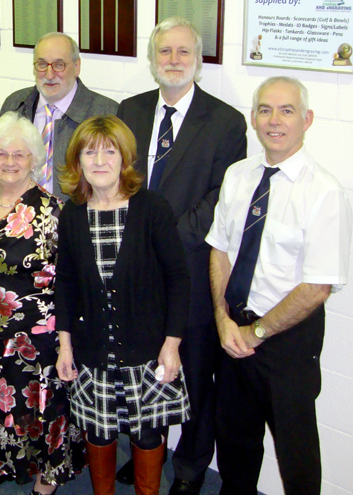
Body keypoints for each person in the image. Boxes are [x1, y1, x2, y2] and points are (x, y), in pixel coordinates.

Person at [116, 17, 247, 494]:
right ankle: (144, 451)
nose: (173, 61)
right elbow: (114, 179)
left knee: (195, 375)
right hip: (131, 272)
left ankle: (191, 468)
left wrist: (163, 241)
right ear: (152, 61)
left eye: (182, 53)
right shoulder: (128, 110)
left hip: (191, 273)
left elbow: (222, 197)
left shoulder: (227, 122)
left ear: (198, 60)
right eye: (164, 52)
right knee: (136, 369)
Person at [206, 76, 352, 495]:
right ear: (253, 118)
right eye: (265, 110)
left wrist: (259, 332)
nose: (274, 121)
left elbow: (318, 287)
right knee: (234, 438)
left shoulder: (323, 191)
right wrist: (223, 319)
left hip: (287, 339)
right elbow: (220, 250)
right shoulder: (238, 175)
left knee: (296, 448)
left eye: (286, 111)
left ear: (306, 120)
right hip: (234, 331)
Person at [55, 115, 192, 495]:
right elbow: (64, 283)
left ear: (125, 158)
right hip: (92, 349)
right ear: (77, 161)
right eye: (90, 152)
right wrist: (65, 345)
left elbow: (178, 279)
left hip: (147, 350)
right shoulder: (72, 214)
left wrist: (171, 344)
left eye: (109, 151)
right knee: (98, 434)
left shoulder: (152, 208)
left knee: (148, 437)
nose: (99, 161)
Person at [0, 112, 81, 495]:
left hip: (35, 334)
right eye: (0, 154)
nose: (9, 161)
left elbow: (68, 278)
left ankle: (46, 477)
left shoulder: (51, 210)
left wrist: (65, 339)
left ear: (34, 158)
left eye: (19, 154)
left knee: (36, 407)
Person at [0, 32, 118, 199]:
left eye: (59, 65)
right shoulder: (14, 106)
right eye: (42, 64)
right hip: (22, 217)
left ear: (77, 66)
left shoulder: (107, 113)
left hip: (78, 218)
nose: (49, 75)